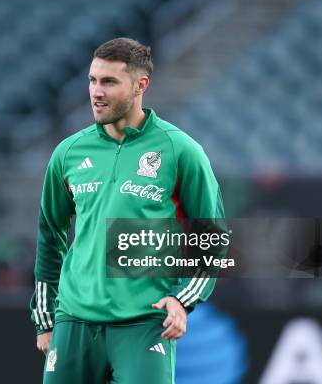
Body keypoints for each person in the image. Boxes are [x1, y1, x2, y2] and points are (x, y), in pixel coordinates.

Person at [30, 37, 225, 383]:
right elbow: (50, 234)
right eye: (92, 80)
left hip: (144, 323)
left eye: (109, 82)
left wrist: (183, 300)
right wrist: (46, 319)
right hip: (74, 321)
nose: (96, 92)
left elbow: (212, 238)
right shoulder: (68, 152)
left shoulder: (180, 151)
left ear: (140, 85)